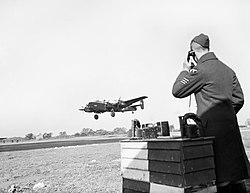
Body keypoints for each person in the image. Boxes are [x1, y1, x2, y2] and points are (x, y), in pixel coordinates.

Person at [172, 33, 250, 193]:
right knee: (234, 176)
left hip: (210, 132)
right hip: (231, 128)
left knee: (218, 178)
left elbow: (177, 90)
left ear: (192, 53)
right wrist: (224, 115)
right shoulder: (228, 70)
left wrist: (185, 71)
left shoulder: (200, 70)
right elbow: (239, 99)